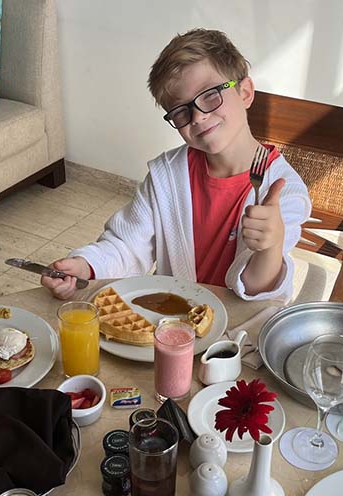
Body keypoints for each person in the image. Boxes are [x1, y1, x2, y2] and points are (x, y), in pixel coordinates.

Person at [41, 28, 311, 302]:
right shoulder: (167, 175)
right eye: (181, 110)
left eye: (209, 94)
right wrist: (86, 266)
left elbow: (257, 289)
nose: (198, 117)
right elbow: (127, 246)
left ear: (245, 92)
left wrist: (270, 246)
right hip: (175, 322)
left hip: (243, 332)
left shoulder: (282, 190)